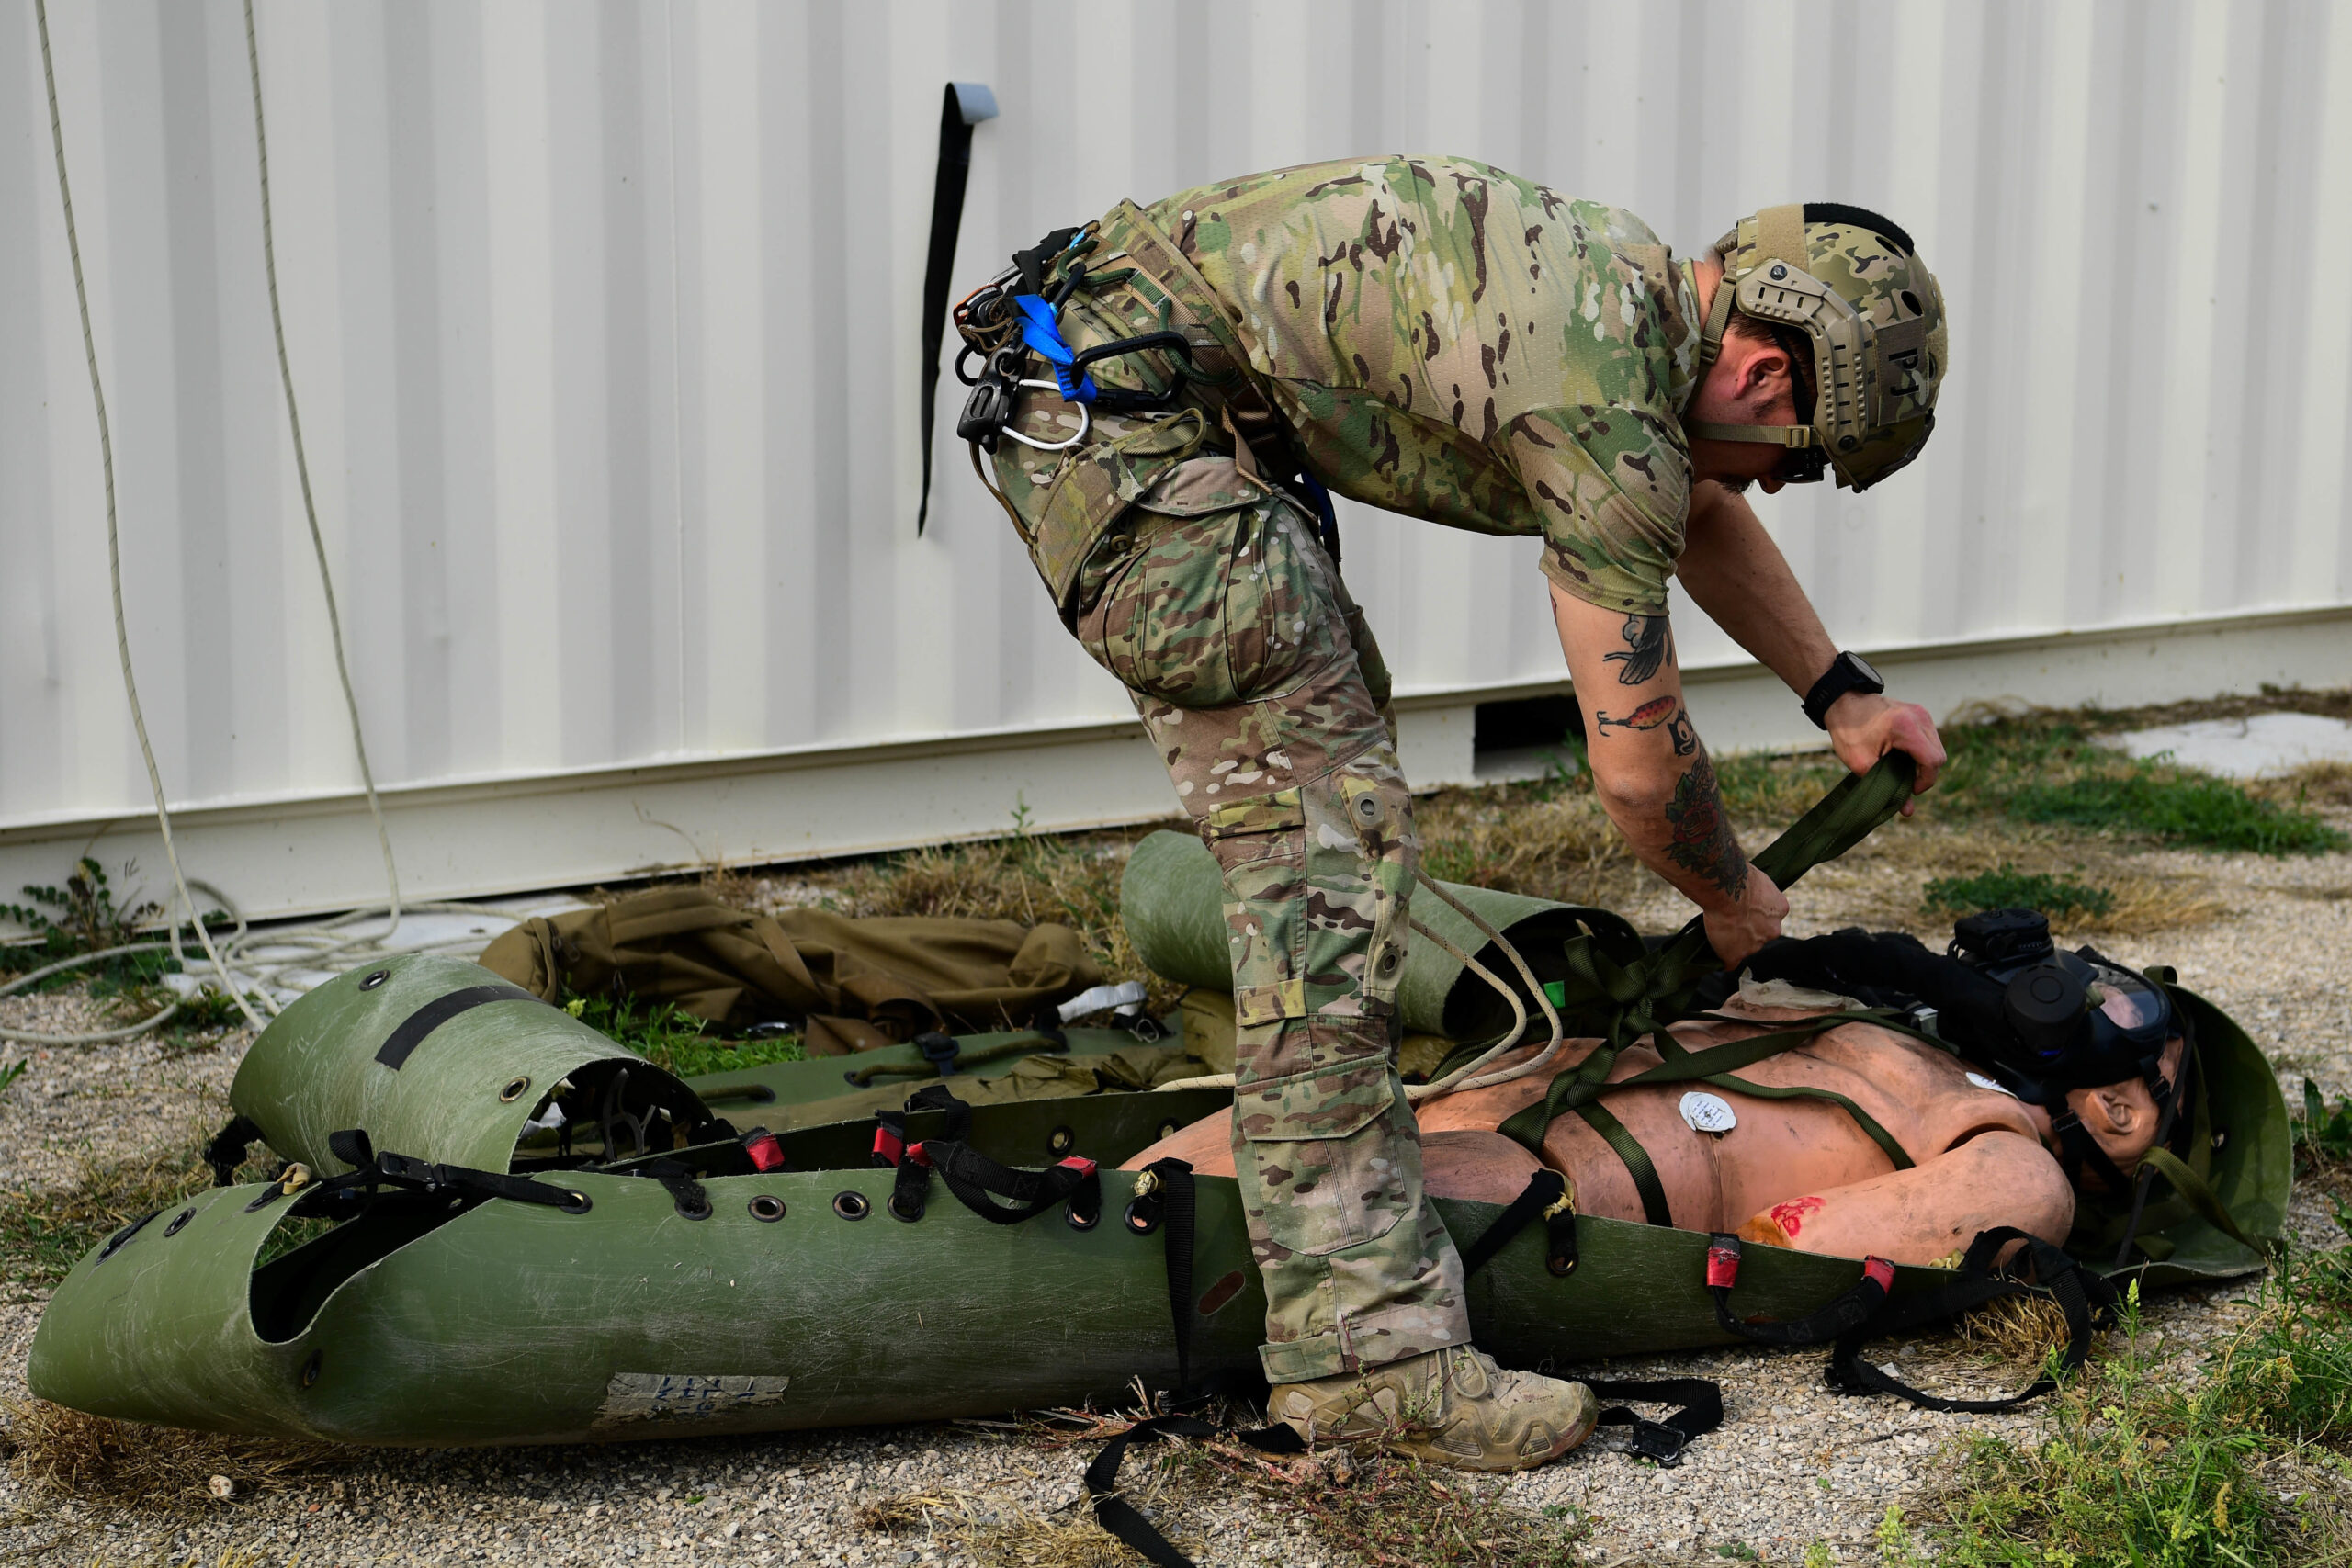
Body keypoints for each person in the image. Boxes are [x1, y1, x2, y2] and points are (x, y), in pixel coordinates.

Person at [955, 156, 1951, 1472]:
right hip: (1132, 441)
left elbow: (1691, 497)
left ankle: (1335, 1241)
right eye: (1795, 462)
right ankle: (1369, 1357)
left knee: (1330, 764)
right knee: (1326, 876)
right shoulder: (1612, 407)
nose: (1770, 485)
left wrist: (1840, 692)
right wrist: (1731, 895)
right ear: (1766, 376)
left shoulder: (1632, 304)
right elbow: (1643, 773)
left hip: (1124, 399)